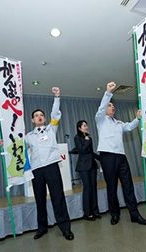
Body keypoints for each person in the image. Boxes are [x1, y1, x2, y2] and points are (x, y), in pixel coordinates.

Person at [95, 81, 146, 225]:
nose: (112, 107)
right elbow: (101, 107)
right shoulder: (100, 120)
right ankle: (115, 214)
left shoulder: (119, 123)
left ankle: (134, 214)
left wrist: (137, 118)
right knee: (111, 186)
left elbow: (130, 127)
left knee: (128, 185)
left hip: (121, 157)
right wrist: (108, 92)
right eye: (110, 105)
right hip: (107, 156)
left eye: (113, 106)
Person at [25, 87, 74, 240]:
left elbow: (55, 114)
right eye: (36, 116)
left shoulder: (51, 129)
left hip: (52, 167)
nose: (39, 117)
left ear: (44, 119)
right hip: (37, 170)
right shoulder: (28, 136)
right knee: (40, 199)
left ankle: (65, 228)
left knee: (58, 197)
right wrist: (3, 143)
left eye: (41, 115)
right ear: (32, 120)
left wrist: (57, 97)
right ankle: (42, 228)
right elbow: (15, 146)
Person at [74, 120, 101, 220]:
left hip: (92, 165)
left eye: (86, 125)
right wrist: (86, 139)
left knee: (93, 187)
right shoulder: (77, 138)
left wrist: (101, 158)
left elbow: (90, 152)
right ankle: (87, 213)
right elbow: (81, 150)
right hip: (83, 167)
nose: (86, 127)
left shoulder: (89, 138)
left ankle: (95, 211)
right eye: (84, 125)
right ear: (79, 128)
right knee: (87, 188)